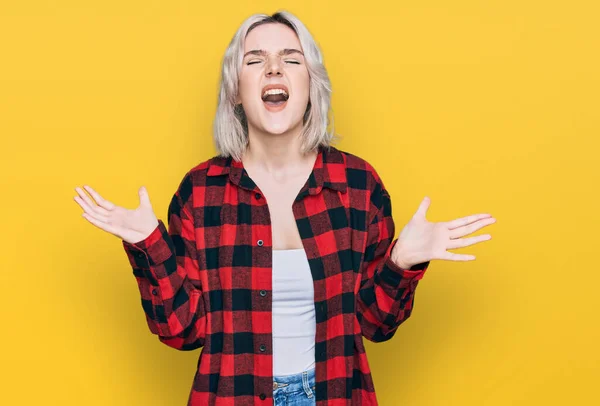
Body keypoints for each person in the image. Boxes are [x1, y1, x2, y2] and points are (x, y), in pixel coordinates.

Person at [73, 10, 495, 406]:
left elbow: (375, 324)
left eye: (290, 59)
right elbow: (183, 330)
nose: (273, 68)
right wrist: (149, 244)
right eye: (255, 60)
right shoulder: (201, 192)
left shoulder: (357, 186)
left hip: (333, 394)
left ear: (311, 85)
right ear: (236, 91)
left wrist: (402, 262)